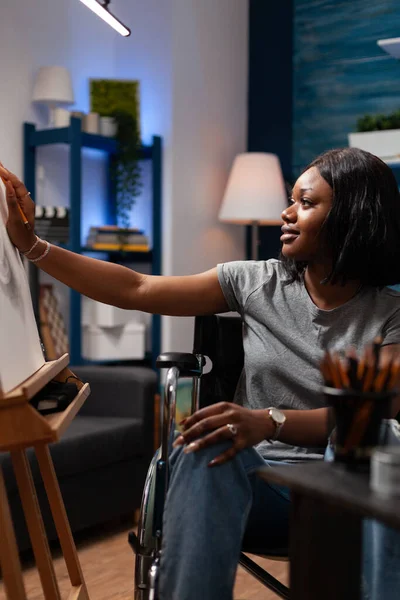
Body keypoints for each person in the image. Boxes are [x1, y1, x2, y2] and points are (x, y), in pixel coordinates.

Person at [2, 147, 400, 600]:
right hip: (261, 487)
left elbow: (370, 416)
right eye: (291, 200)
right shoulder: (256, 283)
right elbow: (137, 288)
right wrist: (33, 246)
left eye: (306, 203)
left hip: (349, 495)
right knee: (198, 441)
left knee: (381, 433)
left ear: (353, 214)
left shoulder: (391, 317)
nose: (286, 214)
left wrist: (269, 420)